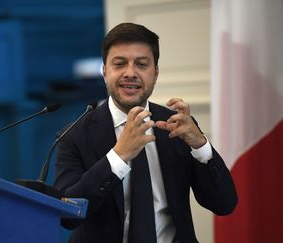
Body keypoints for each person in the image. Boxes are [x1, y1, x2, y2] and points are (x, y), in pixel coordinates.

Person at [54, 22, 237, 243]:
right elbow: (67, 214)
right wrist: (118, 156)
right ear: (104, 71)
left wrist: (200, 146)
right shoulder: (73, 136)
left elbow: (224, 204)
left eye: (141, 64)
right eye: (120, 64)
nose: (130, 73)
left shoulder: (177, 126)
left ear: (156, 73)